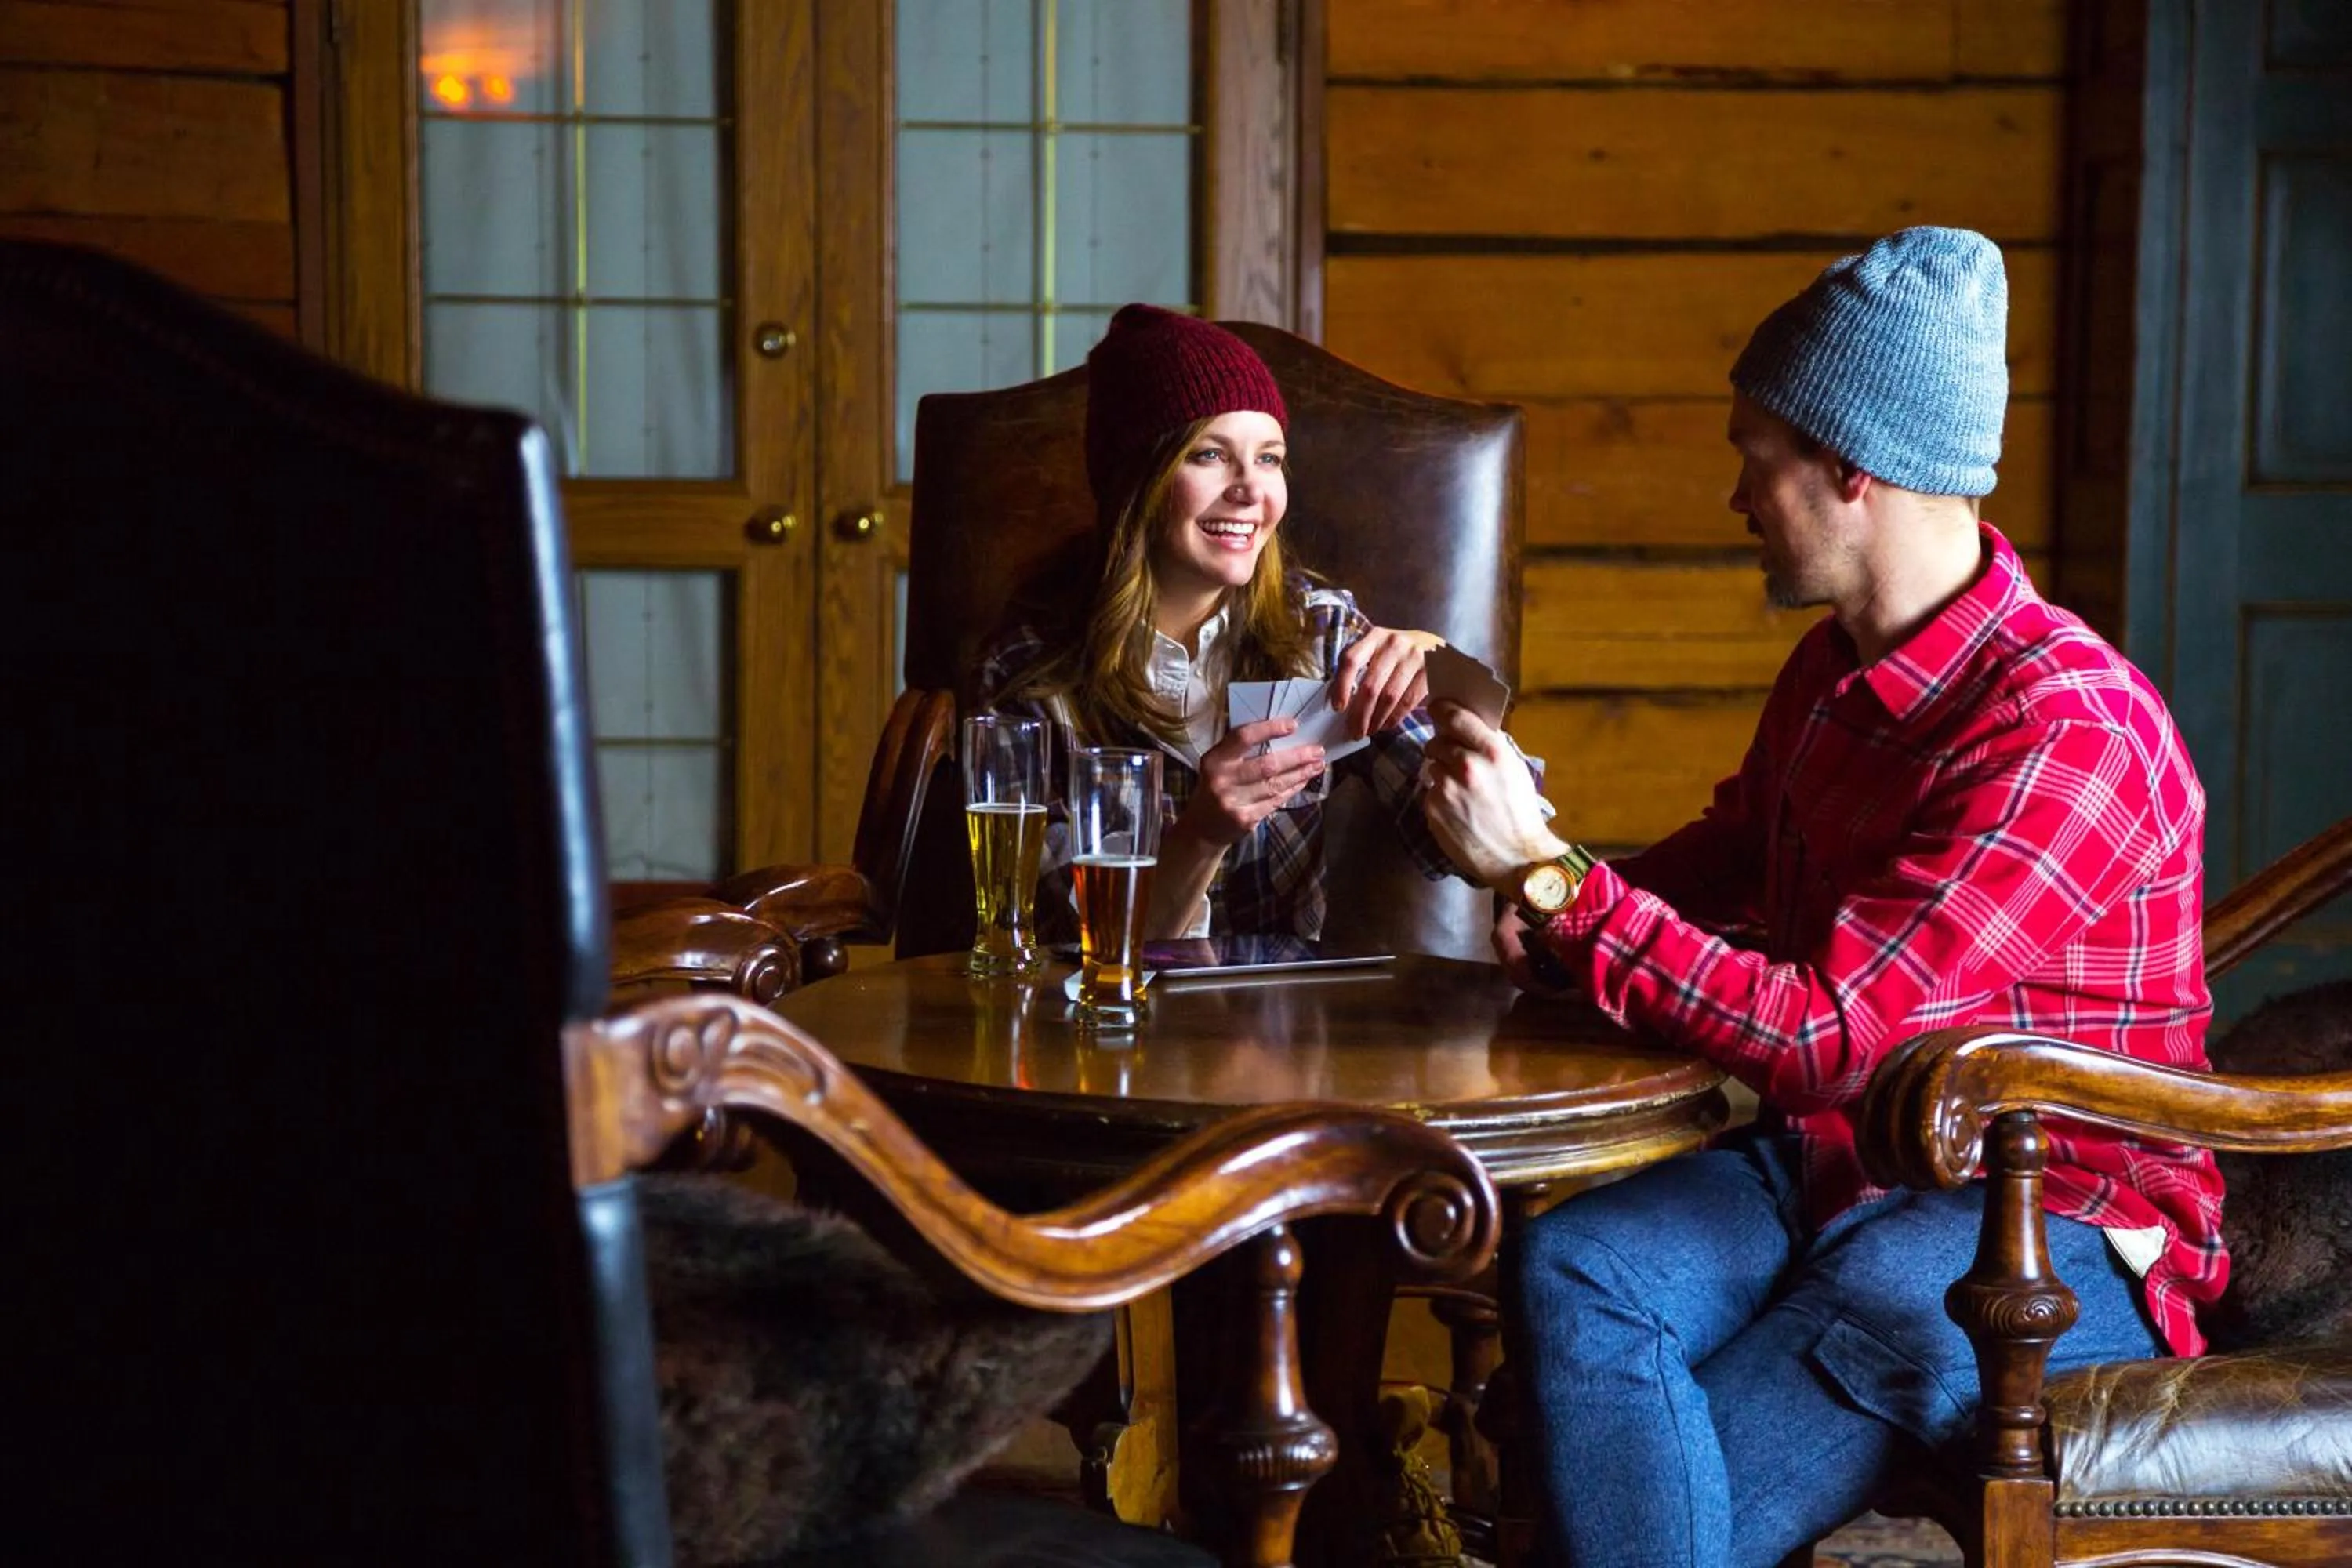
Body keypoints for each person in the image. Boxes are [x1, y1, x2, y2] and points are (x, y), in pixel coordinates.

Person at [1417, 227, 2223, 1567]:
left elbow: (1829, 1035)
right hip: (1845, 1158)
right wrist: (1543, 887)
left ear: (1851, 468)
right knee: (1576, 1267)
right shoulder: (1835, 670)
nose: (1736, 495)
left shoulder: (2066, 733)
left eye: (1755, 453)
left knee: (1641, 1507)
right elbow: (1731, 857)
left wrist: (1552, 881)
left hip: (2046, 1208)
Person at [972, 303, 1491, 944]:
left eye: (1270, 458)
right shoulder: (1030, 670)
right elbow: (1066, 936)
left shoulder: (1322, 634)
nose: (1251, 490)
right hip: (1101, 1027)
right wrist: (1201, 832)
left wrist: (1441, 671)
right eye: (1210, 455)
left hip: (1283, 1029)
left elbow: (1467, 838)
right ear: (1139, 479)